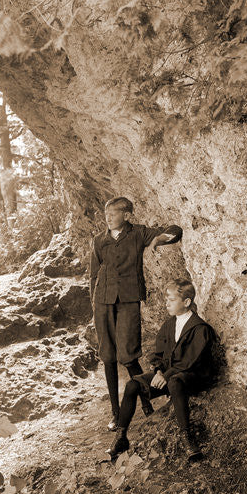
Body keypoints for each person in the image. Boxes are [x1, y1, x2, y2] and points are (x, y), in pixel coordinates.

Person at [89, 196, 182, 431]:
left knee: (129, 355)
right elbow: (92, 275)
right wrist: (94, 306)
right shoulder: (100, 240)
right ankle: (115, 413)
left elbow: (175, 231)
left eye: (113, 213)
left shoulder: (139, 233)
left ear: (127, 215)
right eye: (106, 213)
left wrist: (159, 239)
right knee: (107, 356)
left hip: (129, 300)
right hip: (103, 301)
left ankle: (146, 402)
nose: (108, 218)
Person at [110, 277, 216, 461]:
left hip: (193, 377)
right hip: (169, 375)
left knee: (175, 381)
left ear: (187, 302)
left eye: (172, 300)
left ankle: (187, 438)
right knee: (133, 385)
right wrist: (158, 371)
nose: (167, 303)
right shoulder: (170, 324)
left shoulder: (199, 328)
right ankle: (121, 436)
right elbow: (158, 353)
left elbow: (190, 361)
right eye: (166, 299)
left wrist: (166, 375)